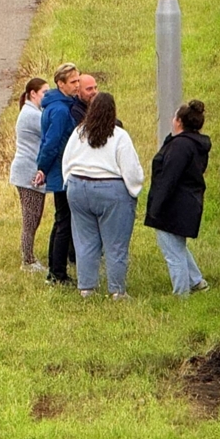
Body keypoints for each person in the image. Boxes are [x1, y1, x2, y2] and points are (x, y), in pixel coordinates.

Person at [62, 93, 144, 299]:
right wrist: (134, 189)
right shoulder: (119, 136)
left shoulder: (79, 132)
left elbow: (67, 160)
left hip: (78, 187)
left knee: (85, 241)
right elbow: (131, 170)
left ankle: (86, 289)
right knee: (115, 244)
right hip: (111, 190)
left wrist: (69, 184)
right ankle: (117, 291)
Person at [144, 100, 212, 296]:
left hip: (173, 205)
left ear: (180, 121)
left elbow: (169, 177)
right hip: (187, 203)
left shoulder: (181, 146)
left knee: (172, 251)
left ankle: (181, 294)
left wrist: (155, 207)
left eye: (174, 117)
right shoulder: (194, 144)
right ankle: (196, 281)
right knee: (177, 246)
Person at [33, 62, 81, 285]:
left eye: (78, 80)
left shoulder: (55, 105)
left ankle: (55, 270)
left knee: (61, 219)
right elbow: (51, 142)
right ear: (60, 84)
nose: (77, 85)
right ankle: (58, 273)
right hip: (62, 170)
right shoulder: (61, 110)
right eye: (73, 82)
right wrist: (42, 166)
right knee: (64, 221)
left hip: (57, 168)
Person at [9, 77, 49, 272]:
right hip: (27, 174)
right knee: (31, 218)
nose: (47, 97)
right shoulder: (32, 115)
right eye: (44, 93)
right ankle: (28, 260)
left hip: (27, 171)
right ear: (33, 94)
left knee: (33, 216)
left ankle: (29, 257)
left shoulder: (33, 111)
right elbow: (49, 129)